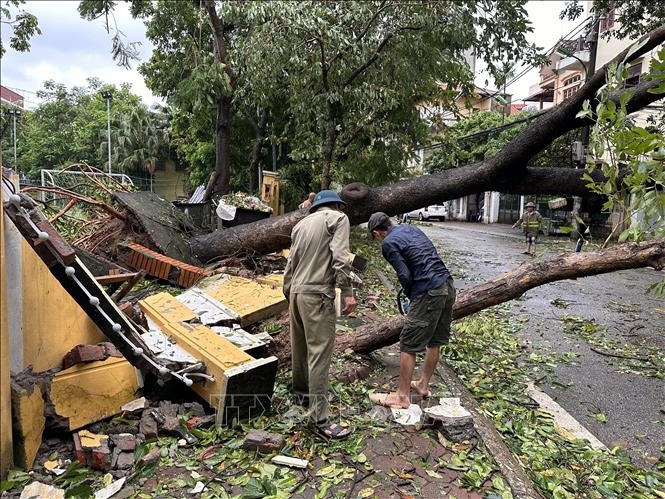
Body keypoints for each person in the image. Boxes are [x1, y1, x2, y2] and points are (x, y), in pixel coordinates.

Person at [283, 190, 357, 438]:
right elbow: (340, 257)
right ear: (336, 205)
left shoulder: (300, 225)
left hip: (295, 293)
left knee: (301, 349)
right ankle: (321, 419)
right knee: (319, 355)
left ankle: (302, 396)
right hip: (317, 295)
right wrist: (347, 291)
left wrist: (289, 294)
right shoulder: (338, 219)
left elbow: (290, 264)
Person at [366, 212, 455, 409]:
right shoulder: (411, 228)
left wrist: (411, 295)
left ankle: (402, 397)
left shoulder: (388, 243)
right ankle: (423, 384)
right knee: (435, 339)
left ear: (377, 232)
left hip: (428, 290)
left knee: (408, 342)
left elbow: (404, 274)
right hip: (447, 285)